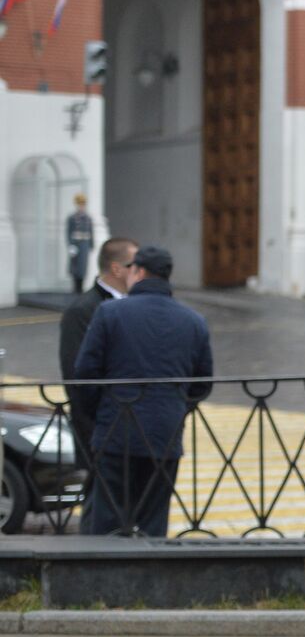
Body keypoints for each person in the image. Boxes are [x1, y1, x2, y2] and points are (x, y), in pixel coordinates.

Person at [73, 246, 213, 537]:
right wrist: (176, 407)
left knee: (107, 522)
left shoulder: (109, 313)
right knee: (153, 521)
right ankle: (152, 574)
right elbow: (203, 383)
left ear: (138, 272)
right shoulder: (193, 321)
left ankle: (103, 580)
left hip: (114, 433)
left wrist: (100, 413)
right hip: (165, 434)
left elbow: (85, 373)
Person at [59, 237, 139, 533]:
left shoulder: (134, 306)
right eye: (135, 265)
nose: (140, 272)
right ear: (117, 269)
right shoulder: (83, 310)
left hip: (133, 430)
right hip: (99, 432)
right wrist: (96, 433)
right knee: (100, 515)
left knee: (129, 512)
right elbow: (77, 380)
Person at [66, 193, 95, 294]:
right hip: (76, 243)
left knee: (83, 266)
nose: (81, 206)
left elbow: (91, 232)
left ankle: (81, 286)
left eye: (83, 204)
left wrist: (91, 244)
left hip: (84, 243)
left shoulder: (88, 218)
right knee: (75, 266)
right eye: (79, 204)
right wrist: (70, 244)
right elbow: (69, 232)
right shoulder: (72, 218)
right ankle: (75, 286)